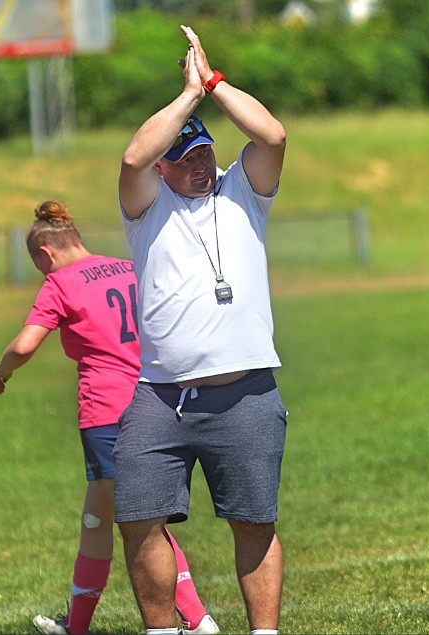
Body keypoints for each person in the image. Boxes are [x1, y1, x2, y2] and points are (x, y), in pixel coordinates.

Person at [115, 24, 288, 635]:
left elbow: (273, 135)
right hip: (160, 396)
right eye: (185, 158)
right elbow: (133, 158)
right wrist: (186, 97)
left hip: (245, 392)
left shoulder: (243, 191)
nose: (200, 165)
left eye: (205, 152)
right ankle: (164, 630)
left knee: (254, 522)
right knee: (139, 518)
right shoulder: (146, 207)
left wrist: (211, 82)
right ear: (163, 168)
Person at [0, 201, 219, 635]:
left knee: (141, 522)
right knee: (98, 519)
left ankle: (196, 617)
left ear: (45, 254)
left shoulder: (60, 282)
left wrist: (0, 371)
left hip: (107, 413)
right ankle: (76, 626)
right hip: (153, 401)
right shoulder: (128, 268)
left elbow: (24, 345)